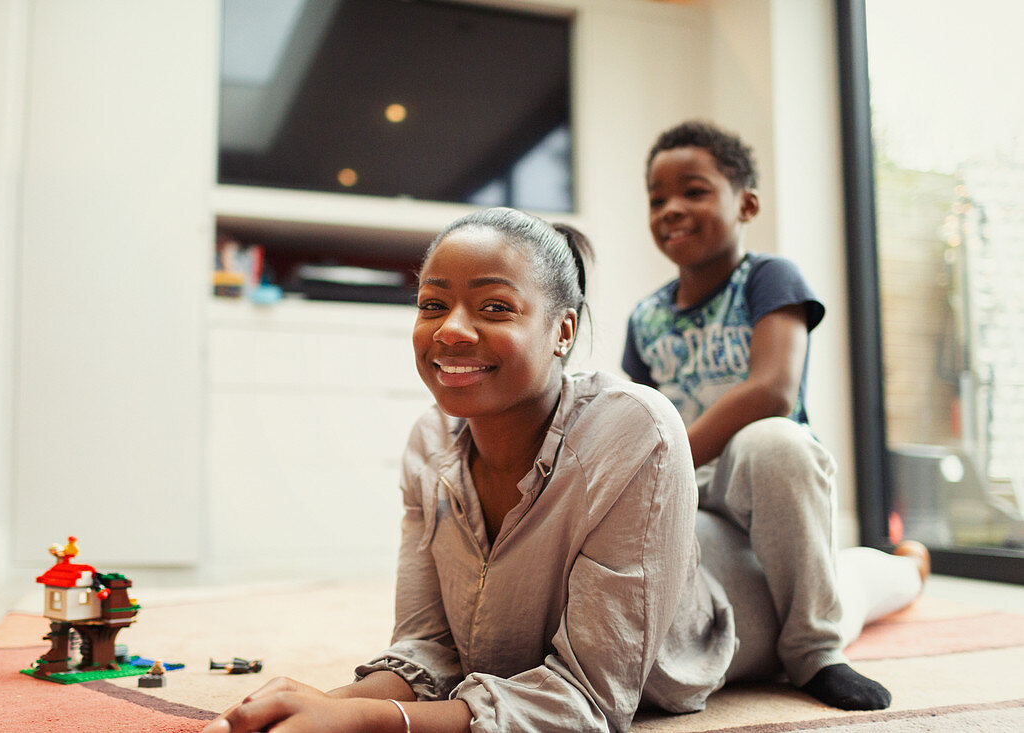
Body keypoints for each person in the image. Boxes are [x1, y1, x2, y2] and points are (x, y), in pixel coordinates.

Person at [205, 207, 736, 733]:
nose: (451, 331)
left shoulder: (635, 430)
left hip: (729, 581)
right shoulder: (429, 442)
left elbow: (589, 699)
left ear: (563, 332)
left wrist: (367, 720)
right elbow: (430, 648)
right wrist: (324, 704)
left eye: (495, 306)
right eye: (432, 304)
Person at [622, 120, 928, 711]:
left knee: (774, 440)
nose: (671, 209)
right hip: (696, 501)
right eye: (657, 200)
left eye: (694, 191)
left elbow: (773, 390)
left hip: (764, 484)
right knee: (774, 597)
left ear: (747, 204)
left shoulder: (767, 279)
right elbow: (637, 420)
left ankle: (820, 649)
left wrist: (671, 456)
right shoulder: (645, 318)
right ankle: (856, 586)